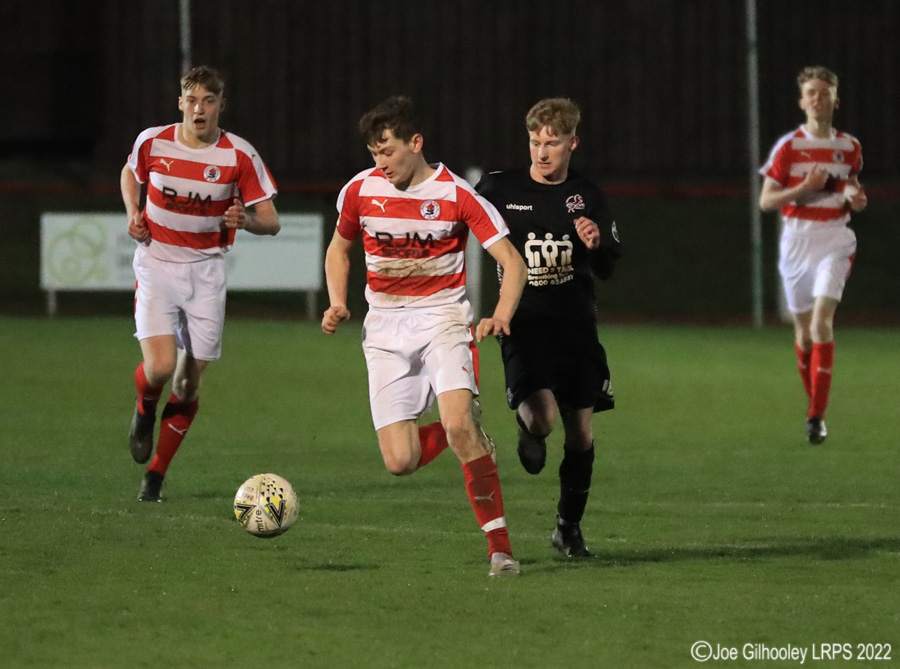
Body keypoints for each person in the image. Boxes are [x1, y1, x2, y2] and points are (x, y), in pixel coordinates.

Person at [321, 95, 527, 577]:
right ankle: (472, 437)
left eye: (388, 151)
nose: (381, 162)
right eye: (374, 153)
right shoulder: (360, 191)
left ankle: (500, 549)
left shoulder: (457, 194)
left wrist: (500, 313)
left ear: (416, 143)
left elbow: (512, 263)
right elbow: (339, 249)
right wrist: (336, 300)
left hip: (443, 321)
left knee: (457, 424)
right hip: (385, 328)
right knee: (400, 461)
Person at [121, 65, 279, 501]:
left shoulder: (239, 155)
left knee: (188, 385)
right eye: (192, 100)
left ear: (220, 105)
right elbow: (130, 173)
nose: (199, 108)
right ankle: (143, 410)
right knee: (159, 368)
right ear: (180, 104)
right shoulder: (153, 141)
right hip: (156, 263)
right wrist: (133, 212)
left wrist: (244, 218)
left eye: (209, 100)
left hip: (206, 272)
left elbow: (272, 221)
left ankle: (155, 474)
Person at [476, 98, 620, 558]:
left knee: (580, 433)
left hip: (576, 329)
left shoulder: (588, 197)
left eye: (552, 143)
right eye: (536, 142)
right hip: (523, 325)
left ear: (572, 143)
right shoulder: (498, 189)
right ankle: (529, 427)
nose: (542, 152)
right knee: (544, 419)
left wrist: (595, 245)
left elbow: (610, 267)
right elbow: (459, 218)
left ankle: (567, 528)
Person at [759, 66, 866, 445]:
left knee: (822, 325)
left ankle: (816, 417)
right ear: (802, 101)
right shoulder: (789, 147)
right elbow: (766, 200)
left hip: (835, 241)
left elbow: (852, 190)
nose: (818, 99)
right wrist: (803, 187)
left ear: (836, 99)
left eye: (825, 92)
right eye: (811, 93)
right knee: (804, 335)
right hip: (797, 244)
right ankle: (814, 405)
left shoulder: (850, 147)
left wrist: (857, 198)